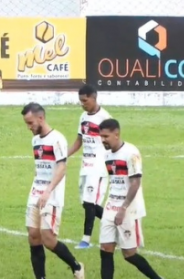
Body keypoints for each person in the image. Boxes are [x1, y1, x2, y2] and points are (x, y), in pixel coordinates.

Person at [21, 103, 85, 279]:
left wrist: (48, 191)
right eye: (26, 123)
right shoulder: (35, 140)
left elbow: (62, 168)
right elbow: (39, 167)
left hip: (52, 195)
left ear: (41, 118)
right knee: (33, 236)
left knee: (48, 239)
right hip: (35, 192)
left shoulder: (57, 139)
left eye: (30, 122)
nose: (29, 127)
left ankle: (77, 266)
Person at [98, 119, 163, 279]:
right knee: (105, 249)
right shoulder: (107, 154)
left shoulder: (131, 153)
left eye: (106, 136)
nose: (103, 140)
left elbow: (135, 183)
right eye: (101, 136)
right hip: (110, 205)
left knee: (129, 254)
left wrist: (123, 208)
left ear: (116, 134)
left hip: (128, 209)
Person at [67, 84, 111, 249]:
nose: (82, 104)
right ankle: (118, 223)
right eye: (80, 101)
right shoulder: (83, 117)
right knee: (87, 204)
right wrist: (62, 156)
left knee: (90, 202)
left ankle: (86, 240)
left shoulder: (105, 119)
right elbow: (79, 141)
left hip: (99, 166)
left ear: (94, 98)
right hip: (85, 165)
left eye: (85, 101)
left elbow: (112, 143)